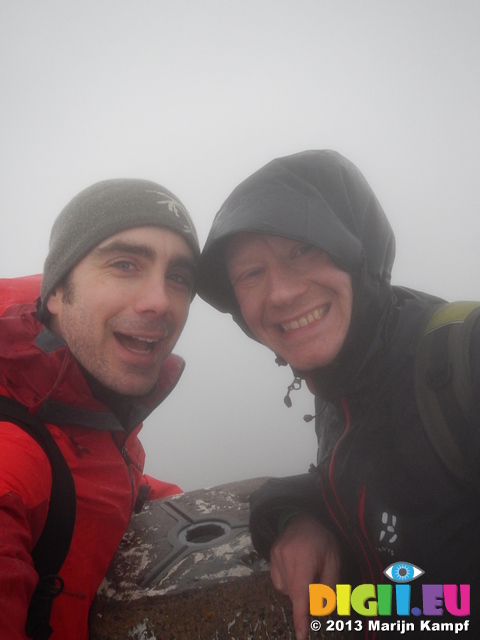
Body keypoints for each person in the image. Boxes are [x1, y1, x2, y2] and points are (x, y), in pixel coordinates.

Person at [198, 150, 480, 639]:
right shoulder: (342, 385)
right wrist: (290, 517)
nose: (281, 293)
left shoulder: (464, 358)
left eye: (303, 250)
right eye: (250, 274)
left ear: (358, 247)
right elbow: (360, 482)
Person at [0, 178, 200, 640]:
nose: (159, 302)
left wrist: (174, 504)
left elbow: (95, 476)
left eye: (179, 277)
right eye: (125, 264)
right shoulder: (14, 458)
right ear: (56, 291)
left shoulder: (81, 400)